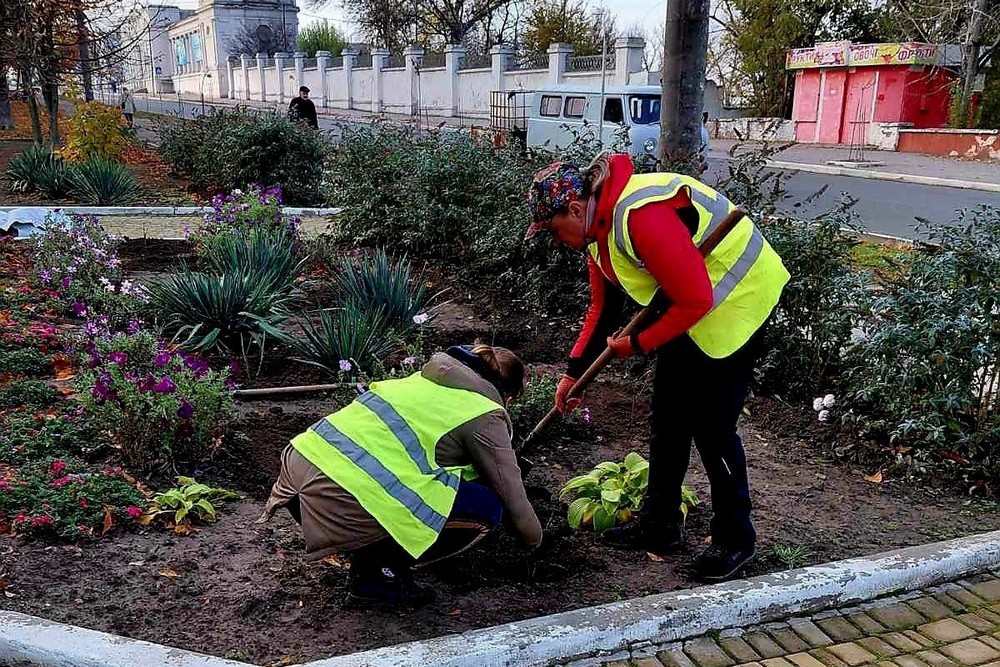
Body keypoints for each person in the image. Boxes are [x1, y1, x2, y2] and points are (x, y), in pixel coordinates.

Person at [524, 154, 789, 582]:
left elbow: (697, 300)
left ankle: (735, 539)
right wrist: (573, 374)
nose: (555, 241)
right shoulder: (596, 231)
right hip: (687, 301)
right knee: (667, 418)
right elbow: (603, 309)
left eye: (553, 230)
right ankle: (660, 523)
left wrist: (639, 344)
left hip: (736, 297)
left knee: (712, 428)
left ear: (573, 209)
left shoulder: (641, 217)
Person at [259, 344, 547, 607]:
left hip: (297, 480)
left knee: (408, 488)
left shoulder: (418, 381)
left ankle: (369, 562)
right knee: (487, 507)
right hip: (341, 500)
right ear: (508, 396)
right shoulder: (484, 412)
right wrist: (536, 544)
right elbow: (514, 500)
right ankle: (379, 580)